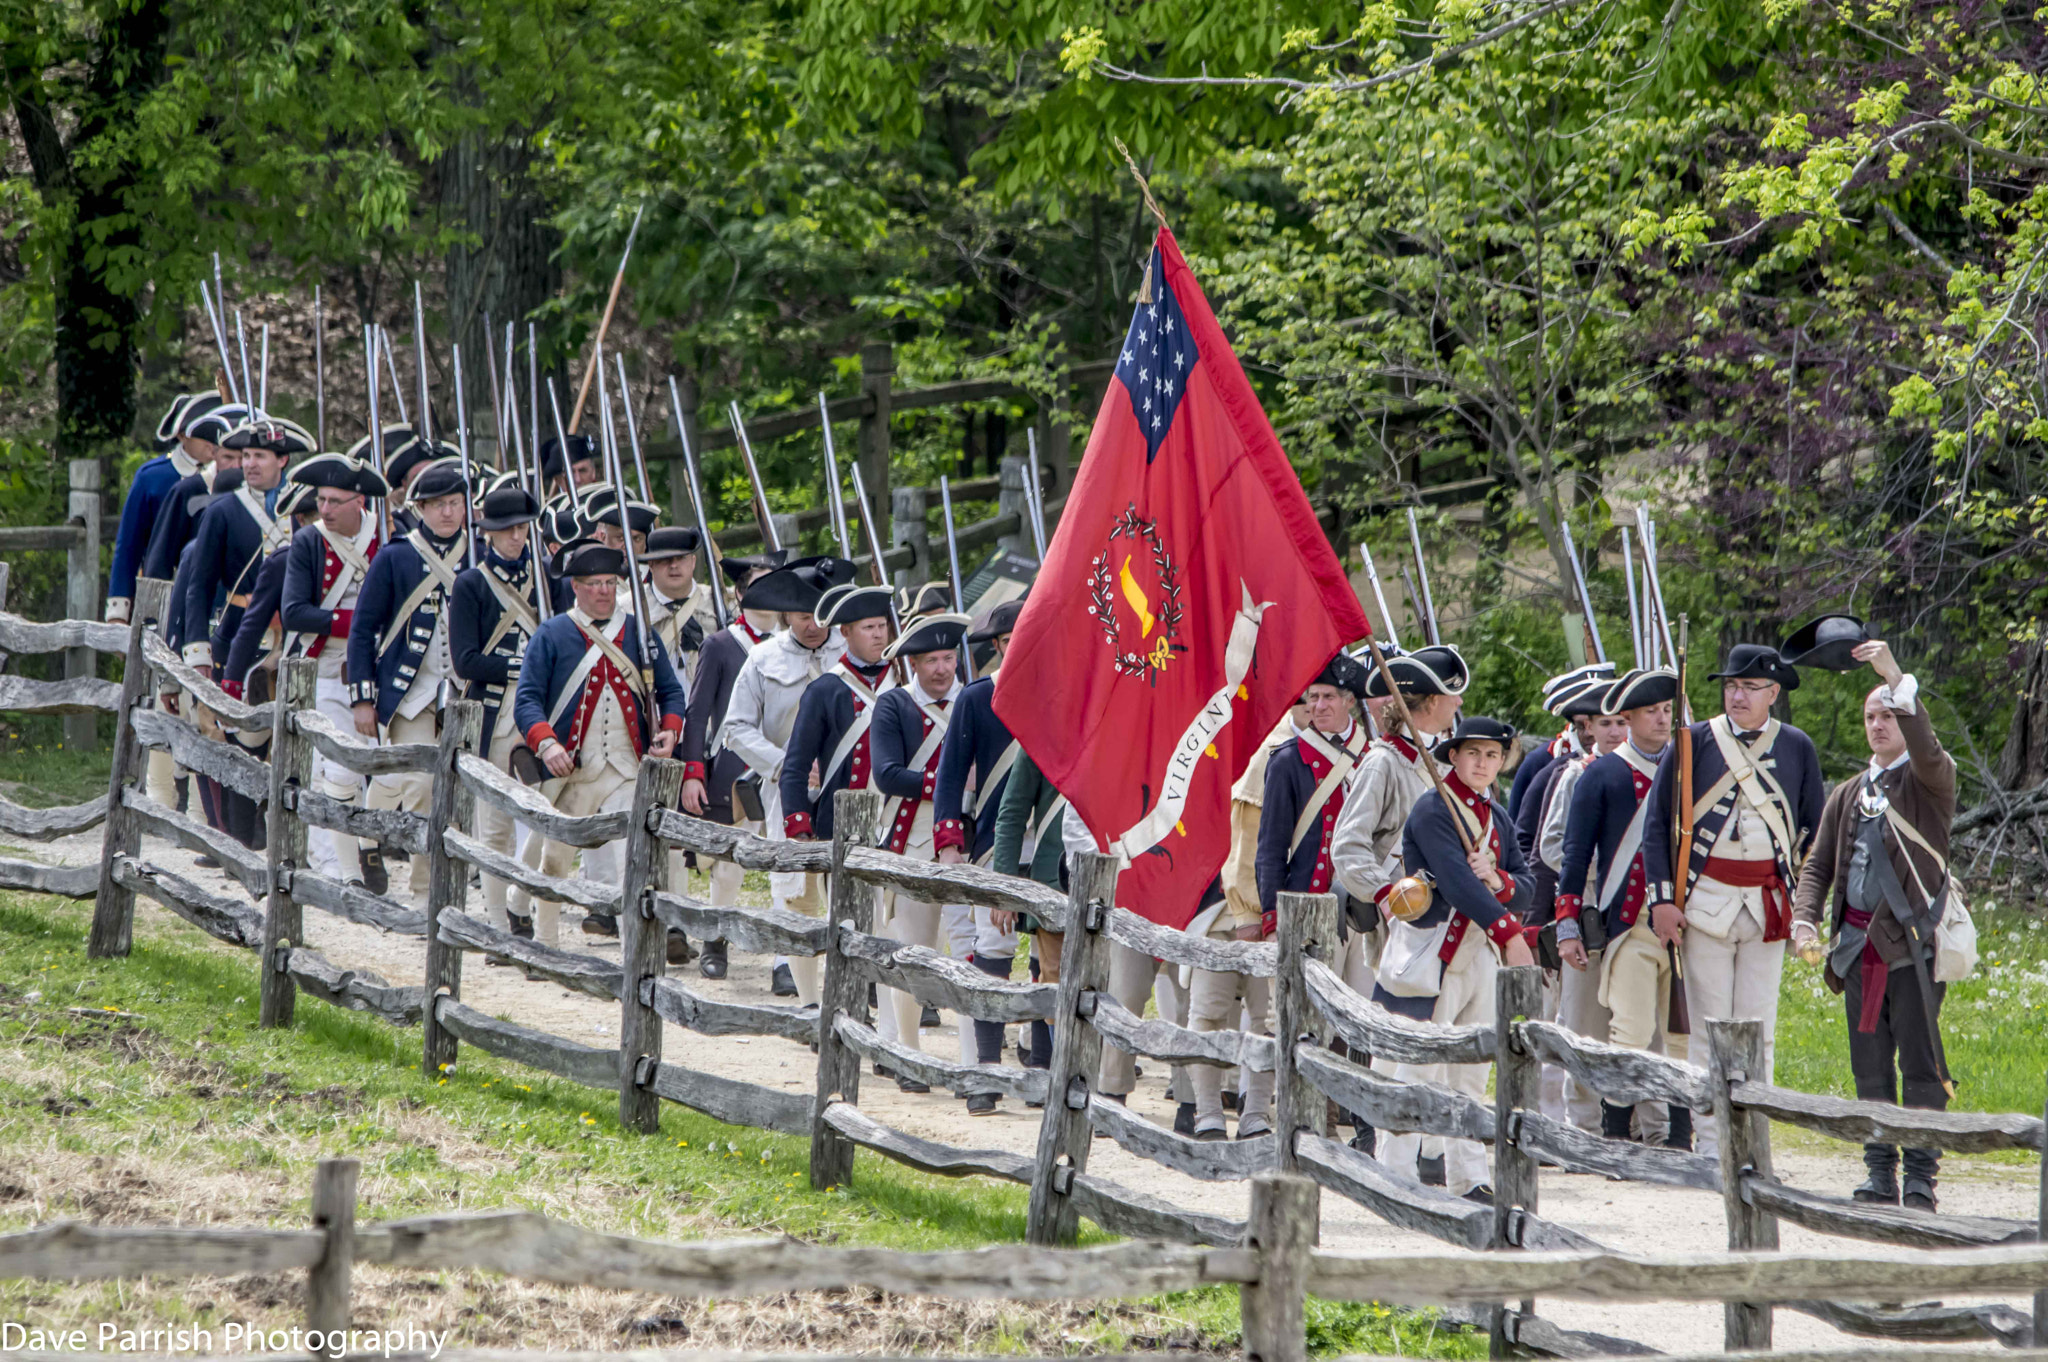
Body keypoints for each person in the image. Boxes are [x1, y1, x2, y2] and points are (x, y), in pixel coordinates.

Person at [1641, 642, 1823, 1160]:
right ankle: (1712, 1148)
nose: (1737, 696)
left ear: (1773, 693)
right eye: (1730, 686)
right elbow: (1658, 826)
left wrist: (1804, 906)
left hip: (1769, 906)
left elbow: (1815, 832)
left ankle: (1752, 1145)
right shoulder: (1694, 741)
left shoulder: (1796, 747)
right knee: (1708, 1033)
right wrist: (1662, 901)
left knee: (1759, 1032)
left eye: (1748, 687)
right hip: (1705, 900)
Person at [1791, 640, 1955, 1210]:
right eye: (1872, 716)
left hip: (1912, 949)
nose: (1879, 724)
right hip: (1857, 951)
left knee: (1921, 1063)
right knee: (1869, 1066)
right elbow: (1818, 866)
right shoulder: (1846, 794)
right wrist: (1805, 922)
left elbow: (1928, 746)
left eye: (1888, 714)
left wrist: (1893, 678)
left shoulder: (1930, 782)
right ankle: (1880, 1170)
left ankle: (1920, 1177)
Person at [1183, 655, 1367, 1143]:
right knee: (1213, 1012)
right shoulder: (1280, 755)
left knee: (1323, 1021)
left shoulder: (1366, 755)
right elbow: (1254, 846)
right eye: (1313, 696)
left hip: (1339, 913)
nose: (1317, 704)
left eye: (1328, 696)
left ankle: (1278, 1117)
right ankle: (1206, 1112)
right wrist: (1259, 914)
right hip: (1240, 904)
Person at [1375, 716, 1536, 1203]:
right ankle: (1395, 1178)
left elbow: (1525, 883)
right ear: (1455, 757)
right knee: (1417, 1067)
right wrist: (1508, 931)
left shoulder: (1498, 816)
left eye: (1492, 755)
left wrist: (1500, 880)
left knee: (1471, 1072)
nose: (1483, 763)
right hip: (1432, 952)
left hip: (1478, 954)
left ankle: (1468, 1179)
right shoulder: (1433, 810)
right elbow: (1455, 881)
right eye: (1473, 754)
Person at [512, 538, 689, 944]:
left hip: (628, 769)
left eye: (610, 582)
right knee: (554, 858)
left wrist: (671, 728)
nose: (604, 591)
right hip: (572, 771)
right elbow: (527, 701)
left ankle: (634, 951)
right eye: (594, 583)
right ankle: (547, 941)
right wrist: (547, 744)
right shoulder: (553, 634)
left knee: (633, 861)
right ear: (576, 586)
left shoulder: (640, 634)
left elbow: (671, 691)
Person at [1552, 667, 1680, 1144]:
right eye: (1652, 712)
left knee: (1675, 1038)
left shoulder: (1685, 768)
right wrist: (1567, 923)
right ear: (1627, 717)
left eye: (1668, 710)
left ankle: (1667, 1136)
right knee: (1623, 1031)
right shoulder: (1599, 774)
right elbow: (1575, 852)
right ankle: (1608, 1137)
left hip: (1682, 921)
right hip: (1623, 920)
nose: (1663, 720)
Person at [346, 453, 474, 903]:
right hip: (410, 694)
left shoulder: (477, 555)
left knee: (461, 792)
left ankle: (446, 882)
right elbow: (363, 629)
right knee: (420, 789)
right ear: (419, 508)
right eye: (437, 503)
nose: (447, 512)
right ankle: (425, 893)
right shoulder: (395, 557)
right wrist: (363, 698)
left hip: (465, 692)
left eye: (455, 502)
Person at [722, 560, 853, 999]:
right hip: (785, 787)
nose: (813, 625)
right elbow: (736, 727)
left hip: (851, 790)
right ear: (786, 616)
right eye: (802, 616)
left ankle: (849, 980)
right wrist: (784, 764)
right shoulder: (762, 658)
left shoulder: (850, 652)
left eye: (820, 614)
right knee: (795, 888)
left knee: (852, 888)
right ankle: (800, 980)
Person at [863, 602, 975, 1089]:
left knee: (969, 955)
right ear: (913, 663)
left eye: (948, 658)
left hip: (965, 843)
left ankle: (975, 1065)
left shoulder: (971, 702)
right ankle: (908, 1056)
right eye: (931, 660)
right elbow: (887, 774)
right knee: (911, 953)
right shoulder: (893, 705)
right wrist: (948, 780)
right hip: (910, 840)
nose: (941, 669)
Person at [774, 575, 891, 1011]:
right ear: (846, 633)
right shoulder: (825, 689)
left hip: (893, 821)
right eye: (868, 627)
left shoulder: (901, 684)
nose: (878, 635)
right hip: (838, 825)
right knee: (839, 921)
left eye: (882, 626)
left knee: (885, 920)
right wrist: (799, 826)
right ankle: (830, 1008)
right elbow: (797, 764)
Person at [277, 450, 391, 884]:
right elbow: (295, 613)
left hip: (376, 669)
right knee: (335, 767)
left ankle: (365, 846)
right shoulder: (309, 541)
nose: (323, 509)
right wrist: (359, 621)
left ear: (359, 501)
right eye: (320, 499)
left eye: (334, 501)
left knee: (378, 768)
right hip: (325, 668)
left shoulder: (389, 538)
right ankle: (335, 866)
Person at [449, 475, 549, 941]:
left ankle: (521, 904)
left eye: (522, 527)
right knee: (494, 830)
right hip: (491, 713)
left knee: (545, 817)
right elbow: (465, 659)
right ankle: (496, 928)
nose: (516, 536)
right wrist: (526, 665)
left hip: (539, 709)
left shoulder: (545, 579)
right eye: (506, 528)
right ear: (488, 532)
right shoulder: (471, 583)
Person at [680, 551, 787, 980]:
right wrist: (693, 771)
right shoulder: (722, 645)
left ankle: (786, 958)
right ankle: (715, 938)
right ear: (740, 594)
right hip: (735, 771)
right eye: (759, 585)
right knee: (728, 867)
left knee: (787, 867)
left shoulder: (793, 645)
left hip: (784, 771)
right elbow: (698, 711)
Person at [108, 391, 221, 624]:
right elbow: (130, 544)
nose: (213, 440)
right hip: (165, 589)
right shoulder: (153, 477)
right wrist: (118, 611)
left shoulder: (233, 475)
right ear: (181, 435)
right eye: (202, 433)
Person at [1507, 662, 1616, 822]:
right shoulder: (1540, 762)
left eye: (1600, 724)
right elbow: (1517, 830)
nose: (1589, 733)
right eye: (1582, 725)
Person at [641, 527, 719, 693]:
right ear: (651, 564)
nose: (674, 565)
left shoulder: (719, 602)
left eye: (681, 558)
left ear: (693, 561)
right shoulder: (630, 607)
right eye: (665, 559)